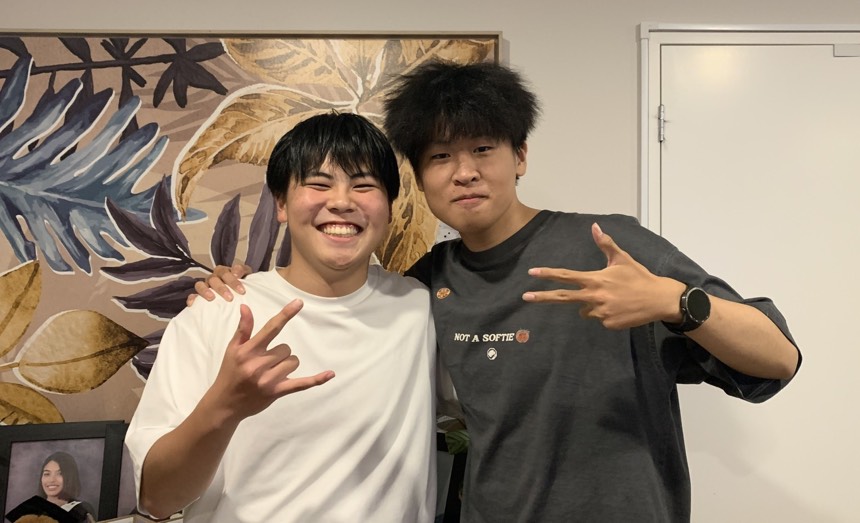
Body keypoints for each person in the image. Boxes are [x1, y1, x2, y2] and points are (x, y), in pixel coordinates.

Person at [193, 61, 801, 522]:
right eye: (440, 156)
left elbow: (779, 359)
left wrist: (675, 302)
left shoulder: (609, 243)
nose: (465, 171)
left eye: (483, 149)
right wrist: (235, 285)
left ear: (521, 156)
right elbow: (343, 309)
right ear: (420, 178)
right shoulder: (426, 284)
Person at [124, 112, 438, 523]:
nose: (342, 201)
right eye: (319, 184)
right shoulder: (219, 310)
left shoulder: (418, 307)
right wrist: (224, 406)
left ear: (390, 207)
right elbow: (157, 499)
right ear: (281, 204)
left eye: (364, 185)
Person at [5, 451, 97, 523]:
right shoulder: (30, 508)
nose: (52, 480)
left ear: (70, 476)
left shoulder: (81, 510)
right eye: (47, 474)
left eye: (60, 474)